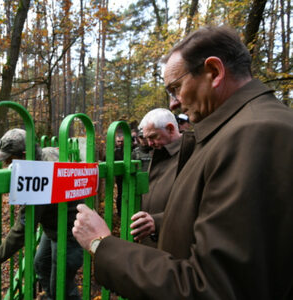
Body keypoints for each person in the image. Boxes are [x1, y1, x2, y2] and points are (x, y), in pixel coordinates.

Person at [72, 26, 293, 299]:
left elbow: (210, 287)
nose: (174, 104)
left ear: (214, 72)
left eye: (176, 88)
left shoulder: (253, 134)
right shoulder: (232, 131)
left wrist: (102, 244)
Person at [0, 128, 83, 300]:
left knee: (62, 287)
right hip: (55, 225)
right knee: (41, 264)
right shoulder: (47, 153)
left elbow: (23, 228)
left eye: (9, 159)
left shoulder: (38, 176)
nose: (7, 165)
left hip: (71, 233)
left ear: (24, 155)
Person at [130, 108, 183, 248]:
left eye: (153, 137)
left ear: (170, 129)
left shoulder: (190, 153)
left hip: (175, 242)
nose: (149, 143)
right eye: (147, 138)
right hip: (152, 241)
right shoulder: (158, 152)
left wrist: (158, 222)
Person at [114, 134, 124, 217]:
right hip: (119, 177)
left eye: (121, 141)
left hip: (127, 175)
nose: (120, 143)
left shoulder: (127, 149)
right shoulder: (113, 151)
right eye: (118, 141)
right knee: (120, 194)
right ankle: (120, 212)